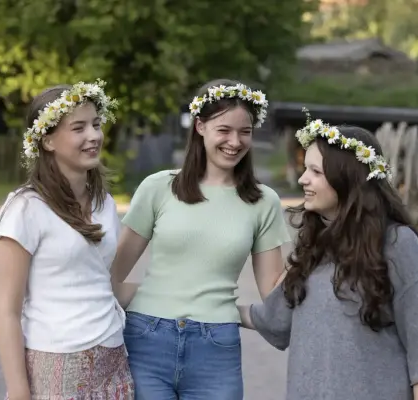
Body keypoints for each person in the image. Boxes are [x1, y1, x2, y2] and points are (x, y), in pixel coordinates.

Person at [238, 115, 418, 400]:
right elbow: (273, 317)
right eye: (305, 169)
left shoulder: (397, 244)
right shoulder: (314, 249)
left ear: (347, 179)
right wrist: (207, 307)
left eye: (316, 172)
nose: (302, 179)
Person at [110, 79, 291, 399]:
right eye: (224, 130)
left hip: (216, 349)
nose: (235, 141)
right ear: (200, 127)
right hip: (146, 340)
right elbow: (111, 275)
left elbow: (273, 292)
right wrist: (155, 296)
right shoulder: (157, 188)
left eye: (244, 132)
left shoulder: (264, 202)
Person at [0, 80, 134, 400]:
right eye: (79, 127)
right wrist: (18, 390)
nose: (94, 136)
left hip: (114, 360)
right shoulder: (25, 209)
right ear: (48, 140)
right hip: (56, 364)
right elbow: (6, 310)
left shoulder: (105, 204)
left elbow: (106, 282)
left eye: (96, 125)